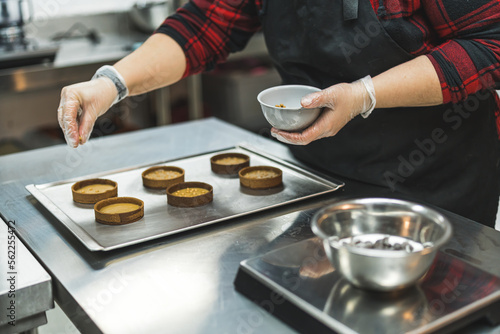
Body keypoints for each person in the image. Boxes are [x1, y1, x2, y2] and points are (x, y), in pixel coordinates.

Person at [57, 0, 500, 227]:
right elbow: (205, 24)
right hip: (317, 176)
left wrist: (365, 94)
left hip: (438, 181)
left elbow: (491, 42)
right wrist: (112, 83)